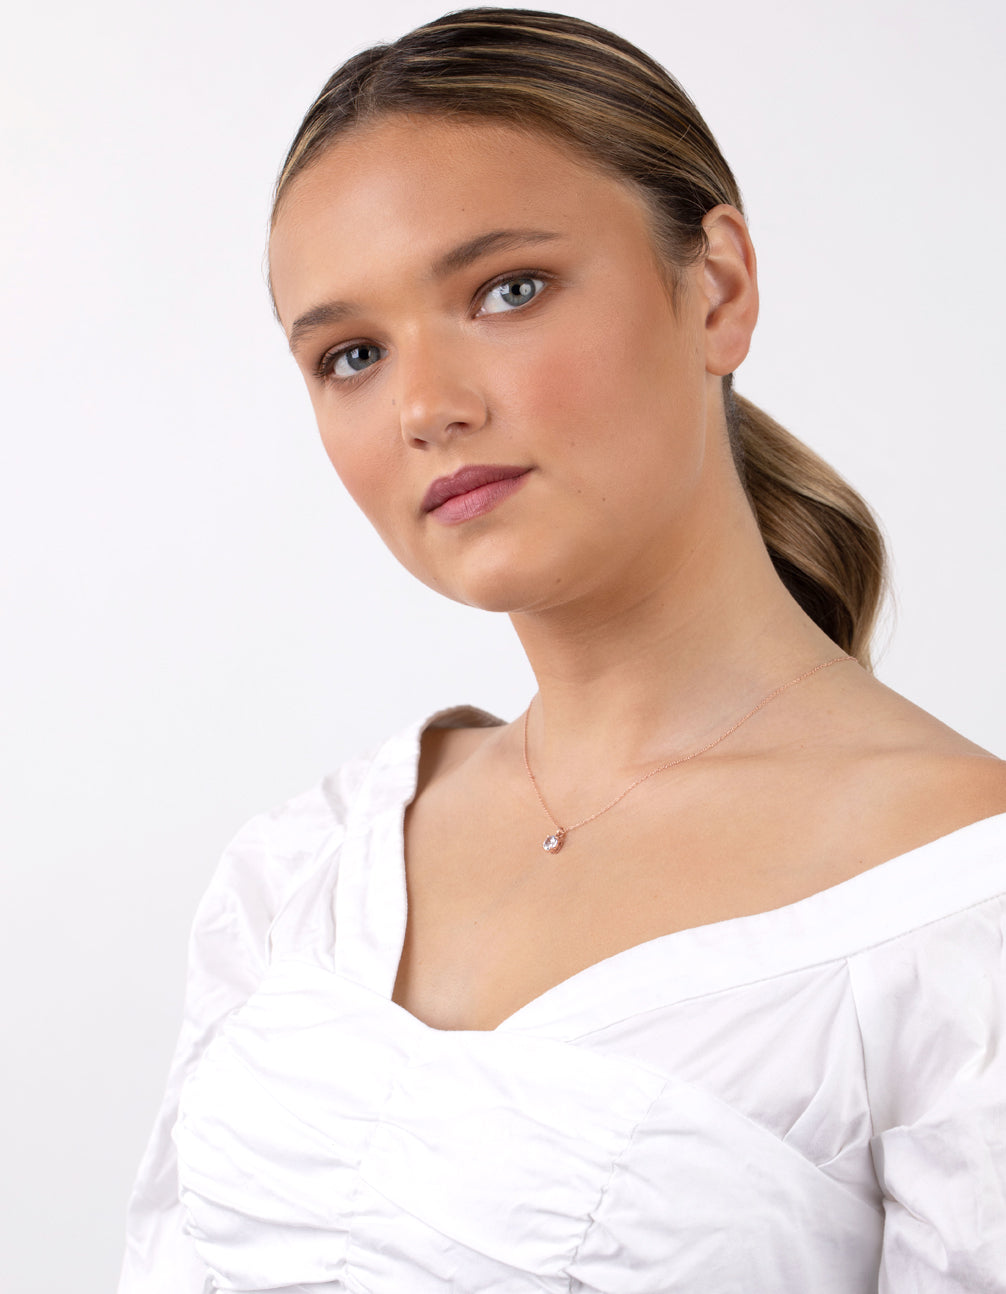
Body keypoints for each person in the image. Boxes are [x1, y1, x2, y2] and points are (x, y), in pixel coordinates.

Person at [119, 9, 1006, 1292]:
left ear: (717, 288)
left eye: (508, 290)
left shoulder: (961, 907)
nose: (427, 407)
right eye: (351, 355)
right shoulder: (306, 868)